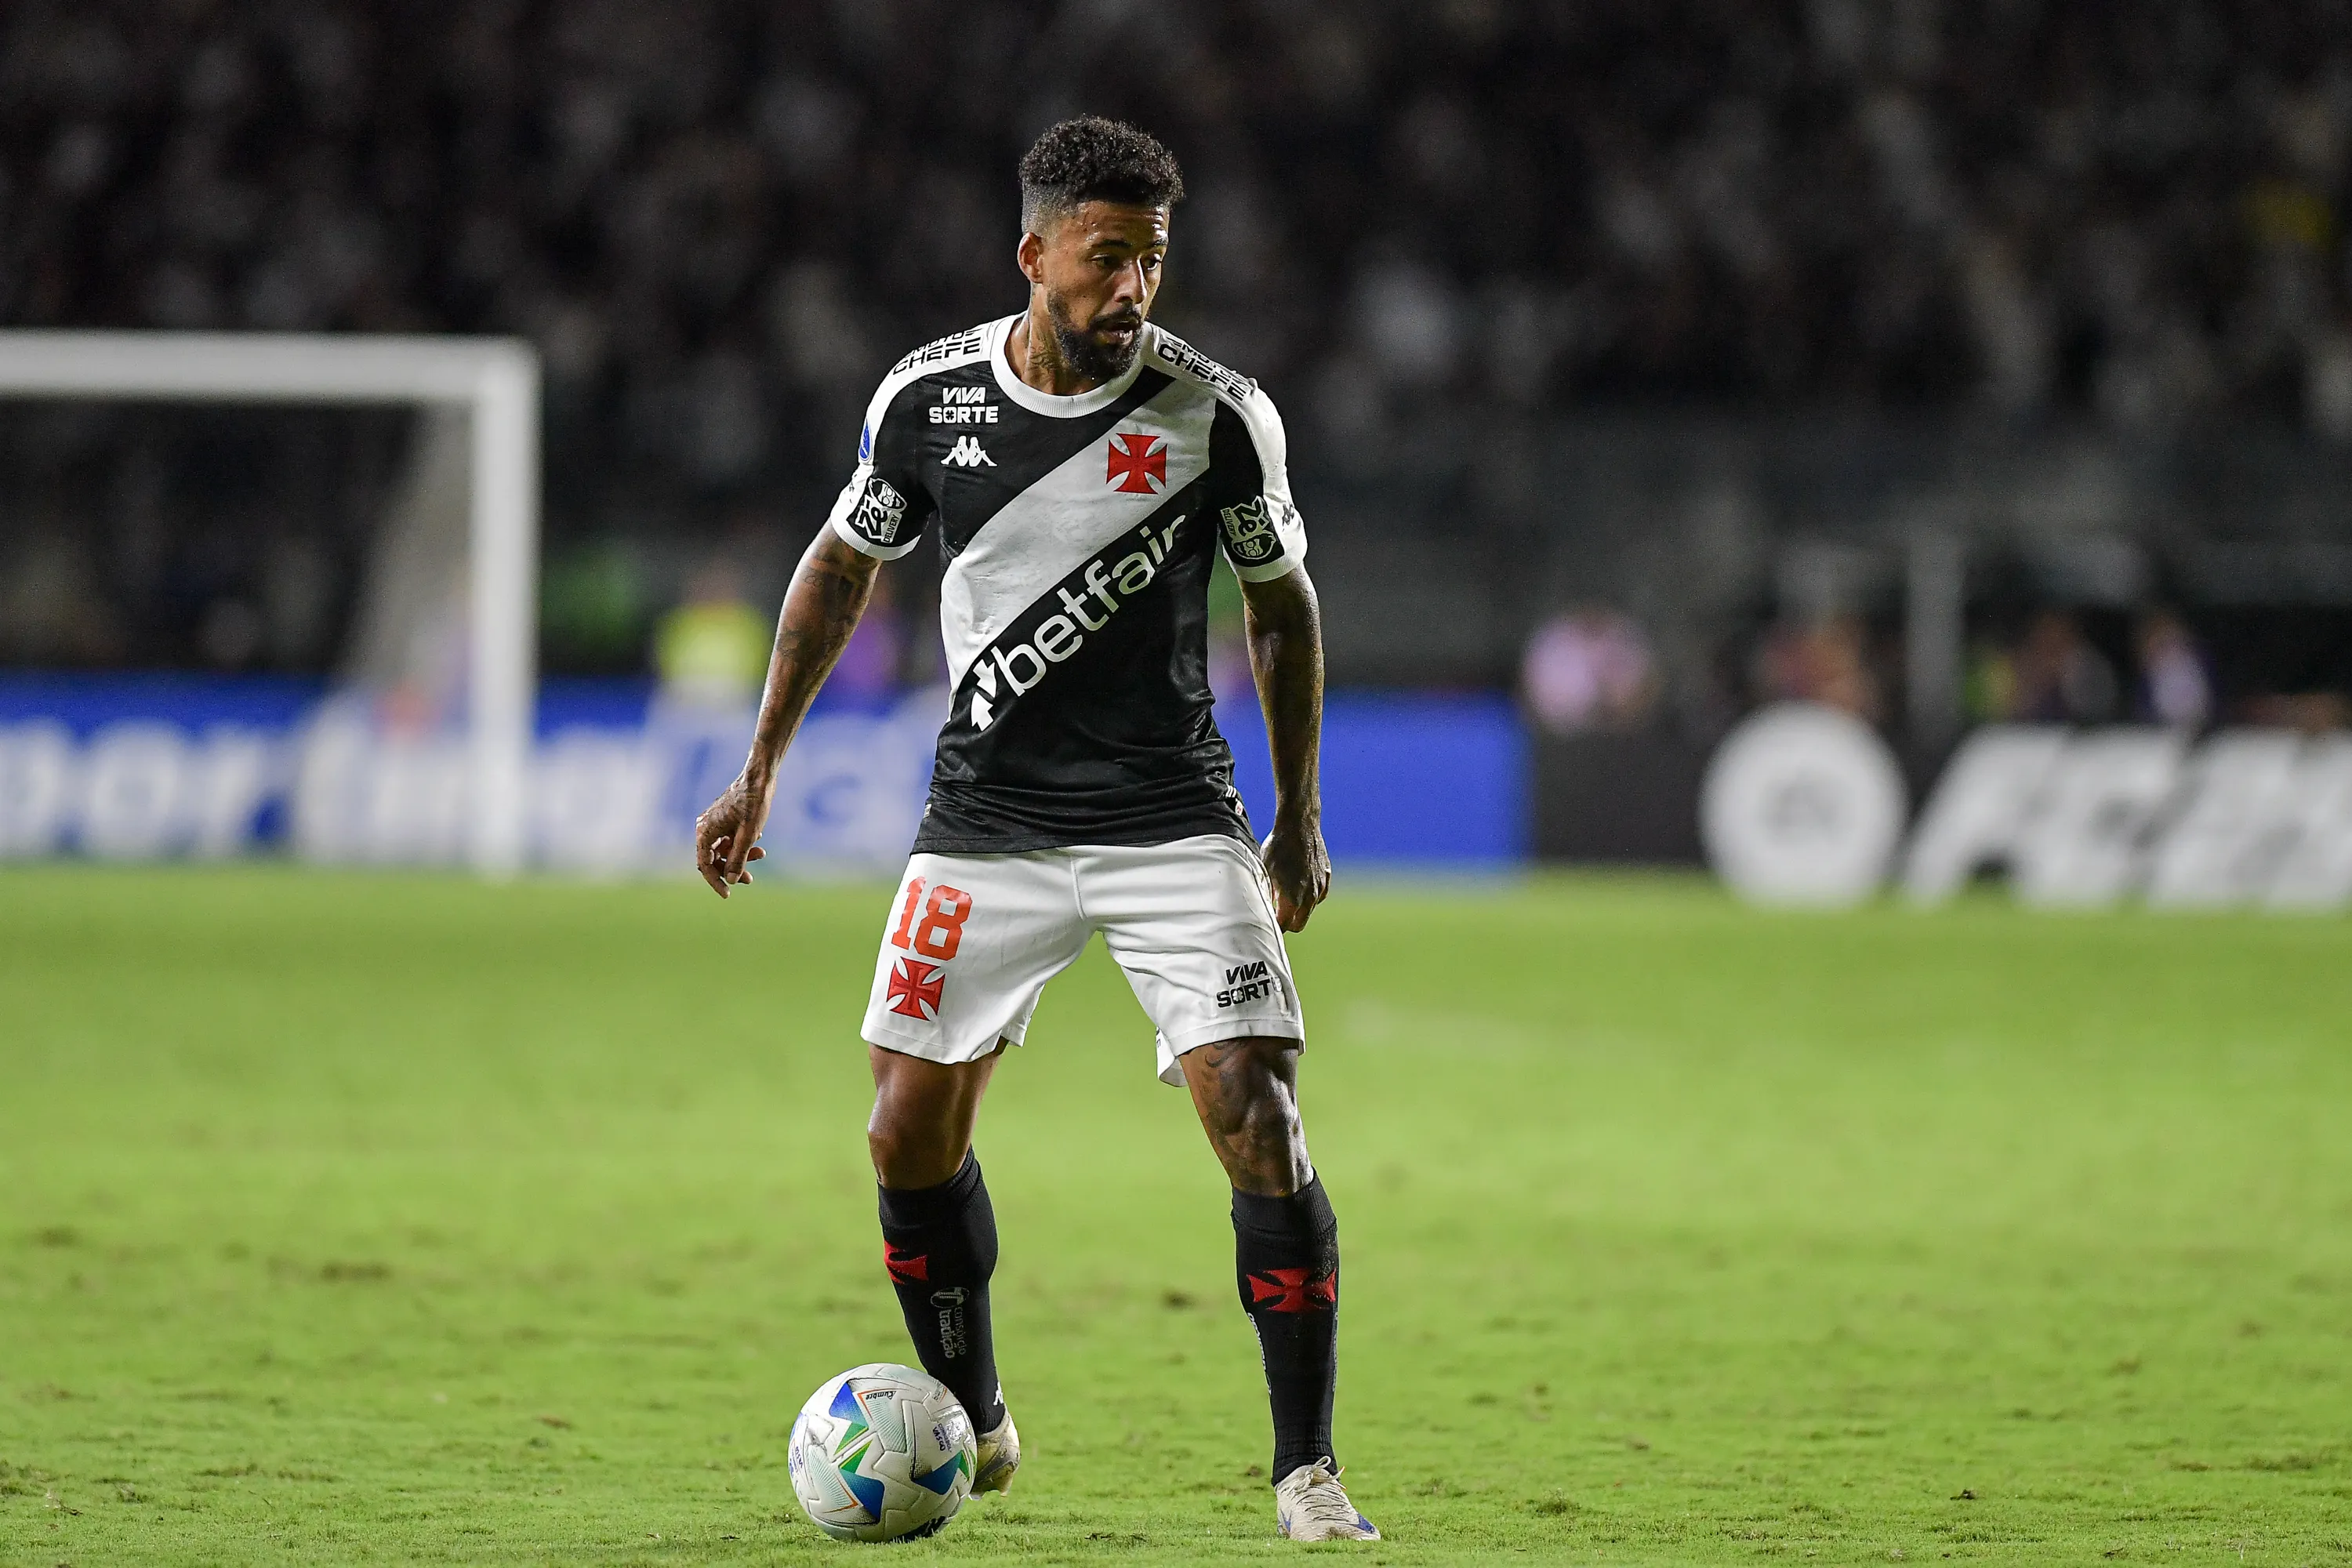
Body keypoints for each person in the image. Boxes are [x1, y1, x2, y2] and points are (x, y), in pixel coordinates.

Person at [692, 118, 1376, 1544]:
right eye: (1107, 257)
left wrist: (1299, 814)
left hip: (1171, 819)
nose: (1134, 287)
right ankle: (969, 1418)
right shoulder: (929, 402)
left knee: (1258, 1116)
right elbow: (838, 570)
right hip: (985, 822)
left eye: (1155, 260)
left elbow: (1283, 609)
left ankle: (1306, 1472)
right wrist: (759, 771)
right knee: (902, 1134)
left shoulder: (1219, 416)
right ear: (1035, 255)